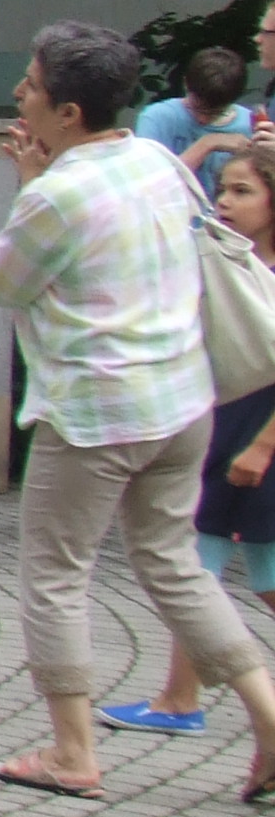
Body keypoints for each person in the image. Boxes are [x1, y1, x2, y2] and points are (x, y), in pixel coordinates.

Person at [0, 21, 275, 804]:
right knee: (174, 565)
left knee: (54, 575)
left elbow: (0, 284)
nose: (20, 95)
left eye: (32, 85)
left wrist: (30, 186)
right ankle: (271, 719)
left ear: (67, 112)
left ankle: (73, 753)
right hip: (183, 403)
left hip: (96, 414)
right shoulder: (156, 160)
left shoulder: (56, 193)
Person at [98, 140, 275, 738]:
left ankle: (180, 700)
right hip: (220, 437)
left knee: (203, 568)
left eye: (243, 191)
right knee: (247, 572)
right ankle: (180, 698)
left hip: (253, 446)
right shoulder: (226, 262)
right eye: (222, 190)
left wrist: (262, 448)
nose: (225, 202)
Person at [135, 47, 257, 199]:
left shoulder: (250, 125)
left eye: (216, 113)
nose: (203, 119)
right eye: (197, 108)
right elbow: (149, 186)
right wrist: (207, 143)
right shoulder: (156, 117)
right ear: (186, 83)